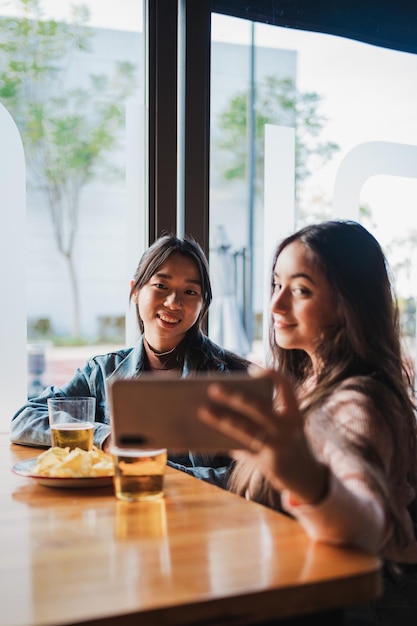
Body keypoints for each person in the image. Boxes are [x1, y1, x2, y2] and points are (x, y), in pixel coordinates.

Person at [197, 220, 417, 624]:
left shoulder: (358, 401)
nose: (277, 305)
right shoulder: (307, 381)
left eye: (300, 290)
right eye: (276, 285)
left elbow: (368, 522)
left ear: (349, 304)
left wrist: (307, 479)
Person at [10, 234, 250, 486]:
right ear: (135, 291)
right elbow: (24, 419)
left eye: (190, 291)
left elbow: (250, 474)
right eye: (161, 286)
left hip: (206, 515)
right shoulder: (102, 372)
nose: (173, 302)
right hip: (123, 508)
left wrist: (159, 471)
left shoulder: (234, 377)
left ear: (203, 305)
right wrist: (106, 438)